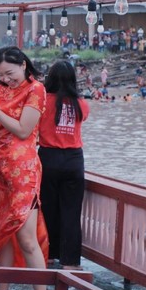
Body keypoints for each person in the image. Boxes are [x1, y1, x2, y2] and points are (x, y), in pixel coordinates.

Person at [0, 46, 48, 290]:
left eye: (9, 73)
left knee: (26, 238)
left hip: (25, 169)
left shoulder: (36, 89)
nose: (5, 79)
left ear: (24, 65)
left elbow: (24, 131)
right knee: (1, 234)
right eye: (0, 75)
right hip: (2, 166)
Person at [38, 60, 89, 270]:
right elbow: (82, 119)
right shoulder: (80, 103)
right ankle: (71, 262)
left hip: (48, 158)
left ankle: (48, 256)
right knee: (71, 212)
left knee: (48, 209)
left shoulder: (42, 101)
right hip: (73, 160)